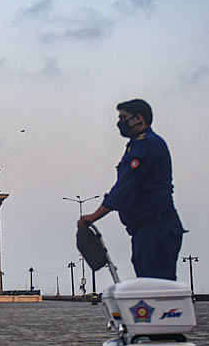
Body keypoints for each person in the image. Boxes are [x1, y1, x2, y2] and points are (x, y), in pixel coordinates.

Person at [78, 99, 185, 280]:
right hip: (145, 230)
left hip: (156, 229)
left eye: (123, 117)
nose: (119, 122)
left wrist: (93, 217)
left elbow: (125, 188)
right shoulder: (136, 146)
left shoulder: (147, 146)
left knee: (157, 290)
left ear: (138, 118)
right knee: (148, 286)